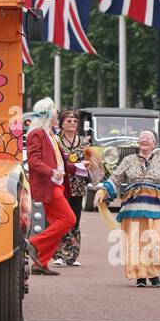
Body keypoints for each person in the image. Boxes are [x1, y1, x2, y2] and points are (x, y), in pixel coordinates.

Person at [97, 130, 160, 286]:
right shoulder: (128, 160)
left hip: (157, 207)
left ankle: (154, 272)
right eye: (142, 137)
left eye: (148, 137)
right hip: (133, 207)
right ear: (138, 142)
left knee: (159, 239)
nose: (144, 139)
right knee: (138, 242)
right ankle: (142, 276)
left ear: (154, 143)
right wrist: (103, 190)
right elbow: (115, 178)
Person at [24, 98, 74, 276]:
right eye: (55, 111)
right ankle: (35, 243)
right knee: (69, 219)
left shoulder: (50, 134)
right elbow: (33, 160)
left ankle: (40, 263)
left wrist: (77, 167)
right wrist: (51, 171)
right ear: (48, 113)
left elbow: (58, 162)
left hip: (55, 183)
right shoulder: (36, 134)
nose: (57, 114)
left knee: (57, 223)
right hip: (49, 184)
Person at [51, 110, 91, 267]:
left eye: (75, 121)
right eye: (69, 121)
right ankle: (59, 253)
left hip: (78, 186)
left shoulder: (84, 142)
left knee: (75, 219)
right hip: (60, 184)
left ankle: (72, 254)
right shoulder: (55, 141)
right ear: (61, 123)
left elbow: (91, 160)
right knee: (61, 218)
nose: (72, 123)